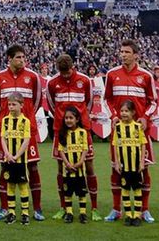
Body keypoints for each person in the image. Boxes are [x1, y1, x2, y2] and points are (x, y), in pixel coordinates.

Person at [0, 44, 45, 221]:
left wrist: (27, 119)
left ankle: (37, 208)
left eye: (23, 57)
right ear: (10, 59)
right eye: (18, 57)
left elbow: (37, 102)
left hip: (26, 130)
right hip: (7, 132)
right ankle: (5, 208)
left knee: (32, 166)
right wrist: (6, 121)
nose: (22, 60)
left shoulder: (33, 77)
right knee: (5, 166)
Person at [52, 52, 100, 219]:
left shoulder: (84, 80)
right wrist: (62, 120)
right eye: (62, 72)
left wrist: (80, 120)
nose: (65, 75)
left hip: (83, 130)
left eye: (67, 72)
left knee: (89, 167)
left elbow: (89, 102)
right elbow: (52, 104)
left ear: (73, 67)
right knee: (61, 168)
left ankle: (93, 208)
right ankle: (63, 207)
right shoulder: (52, 83)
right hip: (62, 131)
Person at [111, 99, 149, 226]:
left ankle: (137, 215)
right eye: (121, 111)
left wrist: (142, 162)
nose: (123, 113)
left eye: (126, 111)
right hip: (124, 166)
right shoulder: (117, 128)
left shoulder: (138, 127)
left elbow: (143, 145)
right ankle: (128, 215)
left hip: (136, 165)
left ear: (133, 112)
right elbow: (115, 146)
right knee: (125, 190)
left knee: (137, 190)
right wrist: (116, 162)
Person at [0, 92, 33, 225]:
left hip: (20, 160)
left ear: (22, 105)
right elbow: (3, 138)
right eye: (9, 105)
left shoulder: (25, 121)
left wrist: (16, 155)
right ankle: (11, 212)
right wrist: (7, 154)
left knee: (23, 185)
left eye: (14, 104)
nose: (11, 107)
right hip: (8, 160)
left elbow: (26, 140)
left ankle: (25, 213)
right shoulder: (5, 120)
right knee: (10, 185)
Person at [57, 107, 91, 224]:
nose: (68, 120)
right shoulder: (62, 133)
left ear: (77, 119)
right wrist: (67, 163)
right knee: (68, 193)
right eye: (66, 118)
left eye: (71, 118)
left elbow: (85, 148)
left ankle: (82, 213)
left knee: (81, 193)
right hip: (67, 169)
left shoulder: (82, 132)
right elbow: (61, 150)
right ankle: (69, 213)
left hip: (80, 169)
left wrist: (81, 162)